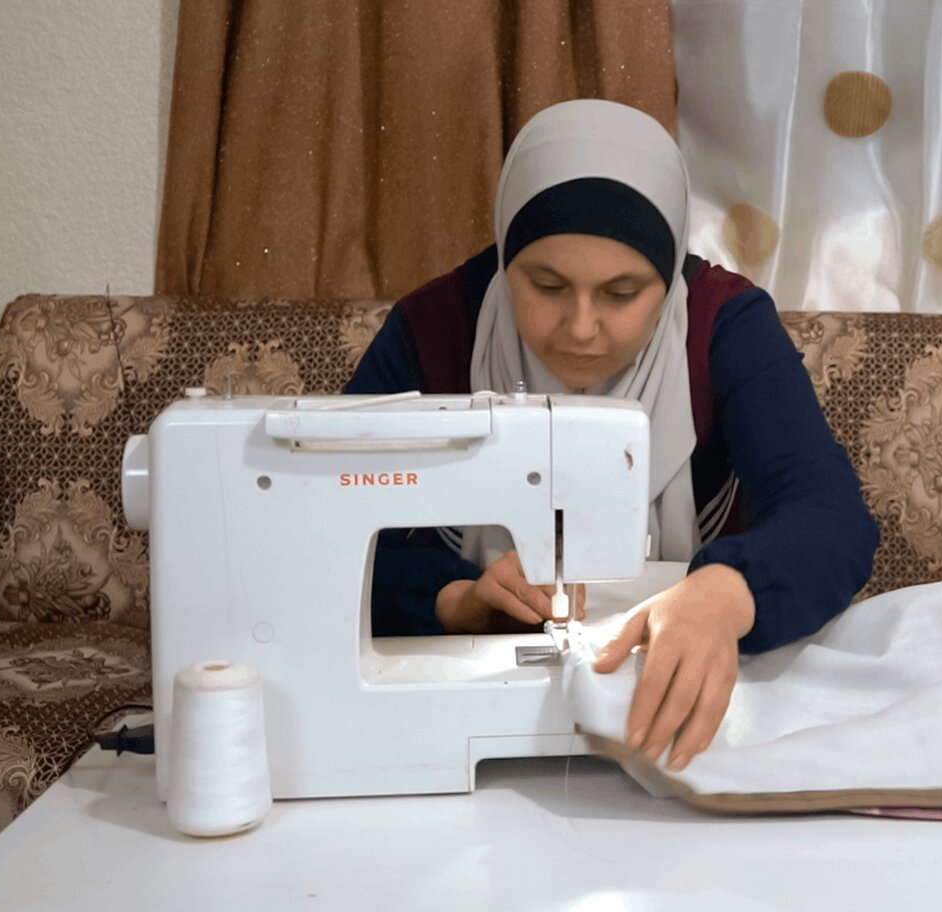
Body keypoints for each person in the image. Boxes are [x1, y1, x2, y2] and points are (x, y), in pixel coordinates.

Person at [344, 99, 878, 771]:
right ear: (505, 254)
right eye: (545, 285)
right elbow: (324, 536)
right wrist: (458, 599)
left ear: (670, 277)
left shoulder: (725, 325)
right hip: (456, 726)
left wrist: (724, 592)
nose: (581, 328)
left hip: (678, 723)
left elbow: (830, 516)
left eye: (623, 293)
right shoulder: (434, 329)